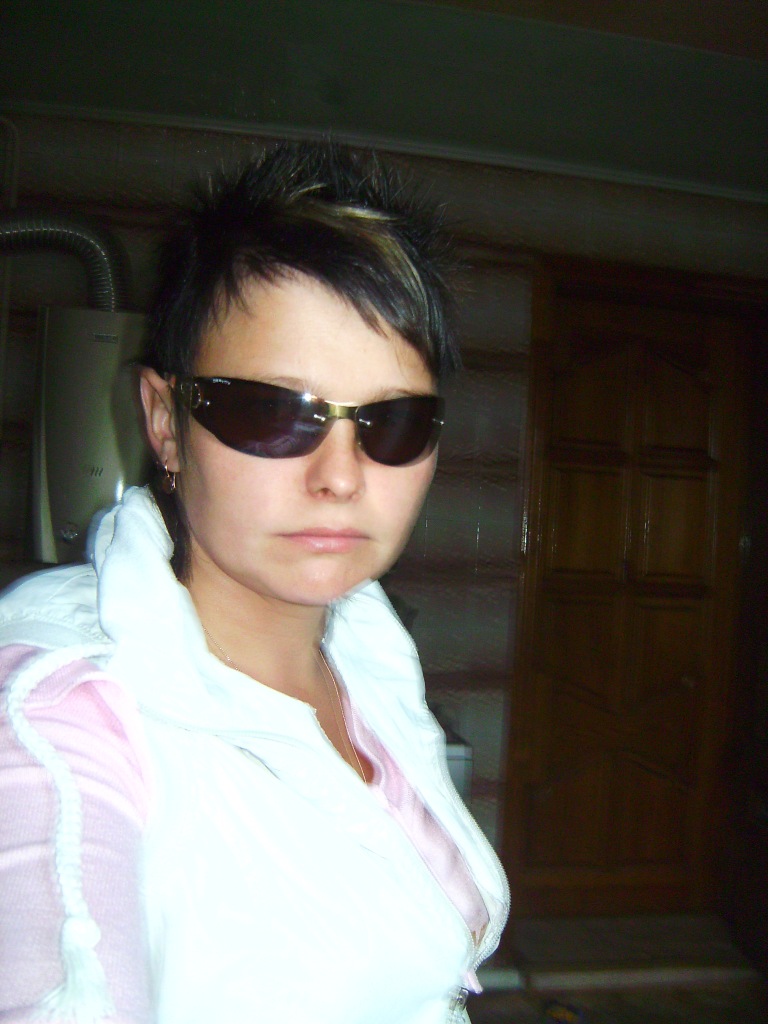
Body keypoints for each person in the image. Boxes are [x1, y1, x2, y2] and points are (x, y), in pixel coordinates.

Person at [0, 141, 509, 1024]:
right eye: (271, 411)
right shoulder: (61, 706)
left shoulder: (365, 645)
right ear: (164, 421)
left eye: (391, 422)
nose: (340, 477)